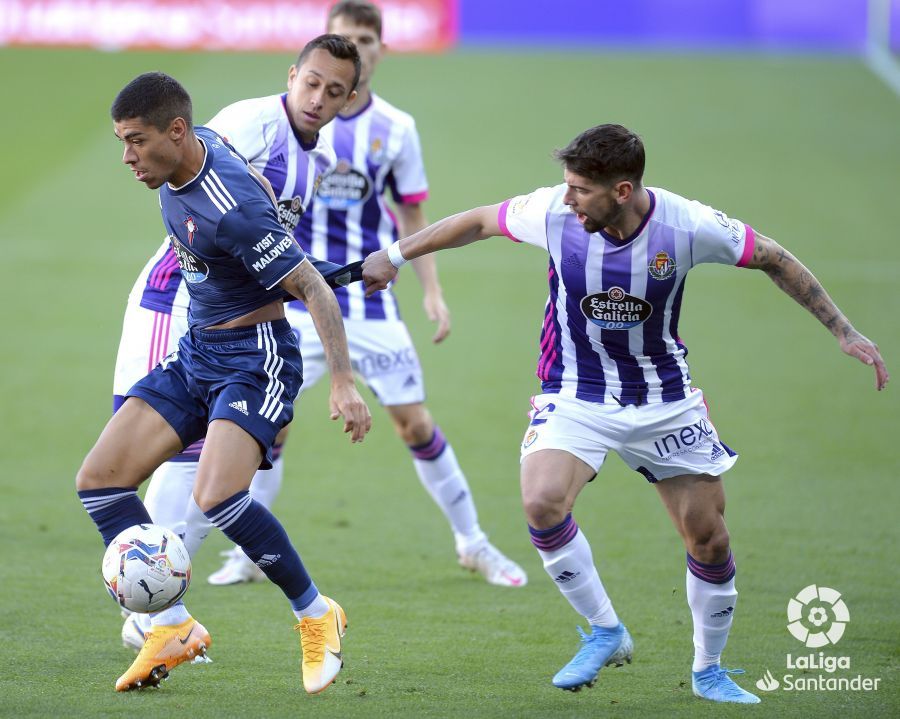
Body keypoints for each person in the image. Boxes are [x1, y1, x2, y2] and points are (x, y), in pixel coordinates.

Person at [361, 123, 889, 703]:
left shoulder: (688, 226)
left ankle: (709, 669)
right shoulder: (554, 214)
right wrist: (394, 255)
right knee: (541, 501)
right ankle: (606, 630)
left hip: (664, 399)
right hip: (575, 392)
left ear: (622, 189)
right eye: (567, 185)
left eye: (581, 189)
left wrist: (843, 330)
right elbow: (481, 220)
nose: (567, 198)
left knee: (707, 536)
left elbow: (773, 257)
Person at [202, 0, 527, 589]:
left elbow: (411, 211)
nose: (357, 49)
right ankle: (247, 553)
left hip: (369, 301)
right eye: (343, 39)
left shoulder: (396, 128)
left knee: (414, 424)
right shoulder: (278, 127)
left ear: (376, 52)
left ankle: (473, 542)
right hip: (295, 297)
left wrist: (432, 289)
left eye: (366, 41)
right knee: (269, 425)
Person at [77, 65, 371, 695]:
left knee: (216, 496)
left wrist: (342, 383)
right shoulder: (194, 152)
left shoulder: (229, 208)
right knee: (100, 482)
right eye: (121, 141)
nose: (127, 157)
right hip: (197, 352)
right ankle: (171, 626)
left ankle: (317, 614)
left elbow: (311, 289)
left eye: (135, 141)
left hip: (255, 358)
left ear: (176, 131)